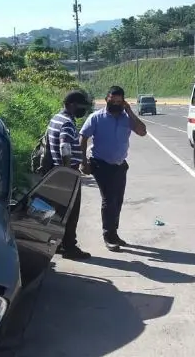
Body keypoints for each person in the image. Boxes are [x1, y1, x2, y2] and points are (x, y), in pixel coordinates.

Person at [80, 86, 147, 252]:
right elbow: (83, 138)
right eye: (112, 100)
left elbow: (142, 132)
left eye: (119, 101)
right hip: (100, 163)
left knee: (117, 200)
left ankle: (114, 233)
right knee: (109, 199)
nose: (115, 104)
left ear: (123, 102)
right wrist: (84, 162)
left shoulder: (127, 118)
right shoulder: (96, 118)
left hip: (120, 165)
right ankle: (108, 236)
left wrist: (130, 112)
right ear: (106, 99)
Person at [47, 90, 93, 260]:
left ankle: (59, 243)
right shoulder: (67, 123)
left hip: (56, 171)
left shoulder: (56, 118)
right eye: (81, 107)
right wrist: (68, 171)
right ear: (72, 105)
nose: (83, 110)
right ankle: (69, 247)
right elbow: (64, 146)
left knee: (60, 211)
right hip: (67, 171)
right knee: (71, 212)